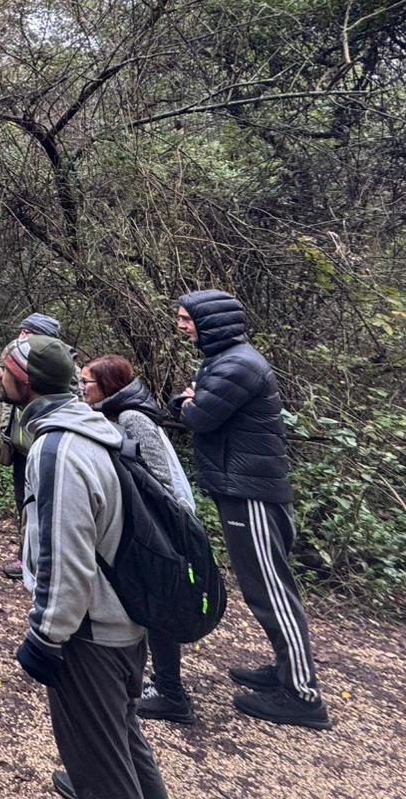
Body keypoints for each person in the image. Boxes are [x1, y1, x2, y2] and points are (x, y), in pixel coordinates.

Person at [1, 334, 168, 799]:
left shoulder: (58, 449)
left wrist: (47, 635)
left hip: (89, 635)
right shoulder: (96, 426)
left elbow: (66, 553)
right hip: (122, 619)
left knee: (100, 774)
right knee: (124, 743)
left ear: (25, 381)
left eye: (4, 369)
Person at [174, 290, 329, 729]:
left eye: (187, 319)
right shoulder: (224, 360)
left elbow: (199, 416)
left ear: (212, 321)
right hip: (241, 487)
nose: (182, 326)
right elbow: (197, 407)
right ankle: (284, 671)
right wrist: (190, 400)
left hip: (252, 494)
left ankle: (302, 694)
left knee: (270, 591)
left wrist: (189, 401)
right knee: (263, 586)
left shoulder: (238, 364)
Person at [81, 355, 197, 725]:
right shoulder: (115, 413)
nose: (82, 388)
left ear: (108, 386)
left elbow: (160, 479)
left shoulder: (133, 418)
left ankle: (171, 693)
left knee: (159, 607)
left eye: (88, 382)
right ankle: (158, 683)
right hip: (144, 526)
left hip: (159, 528)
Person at [0, 312, 60, 580]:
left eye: (29, 332)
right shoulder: (21, 362)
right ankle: (27, 557)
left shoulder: (56, 369)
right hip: (24, 449)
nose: (22, 336)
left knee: (45, 507)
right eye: (22, 330)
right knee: (24, 505)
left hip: (45, 449)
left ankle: (41, 564)